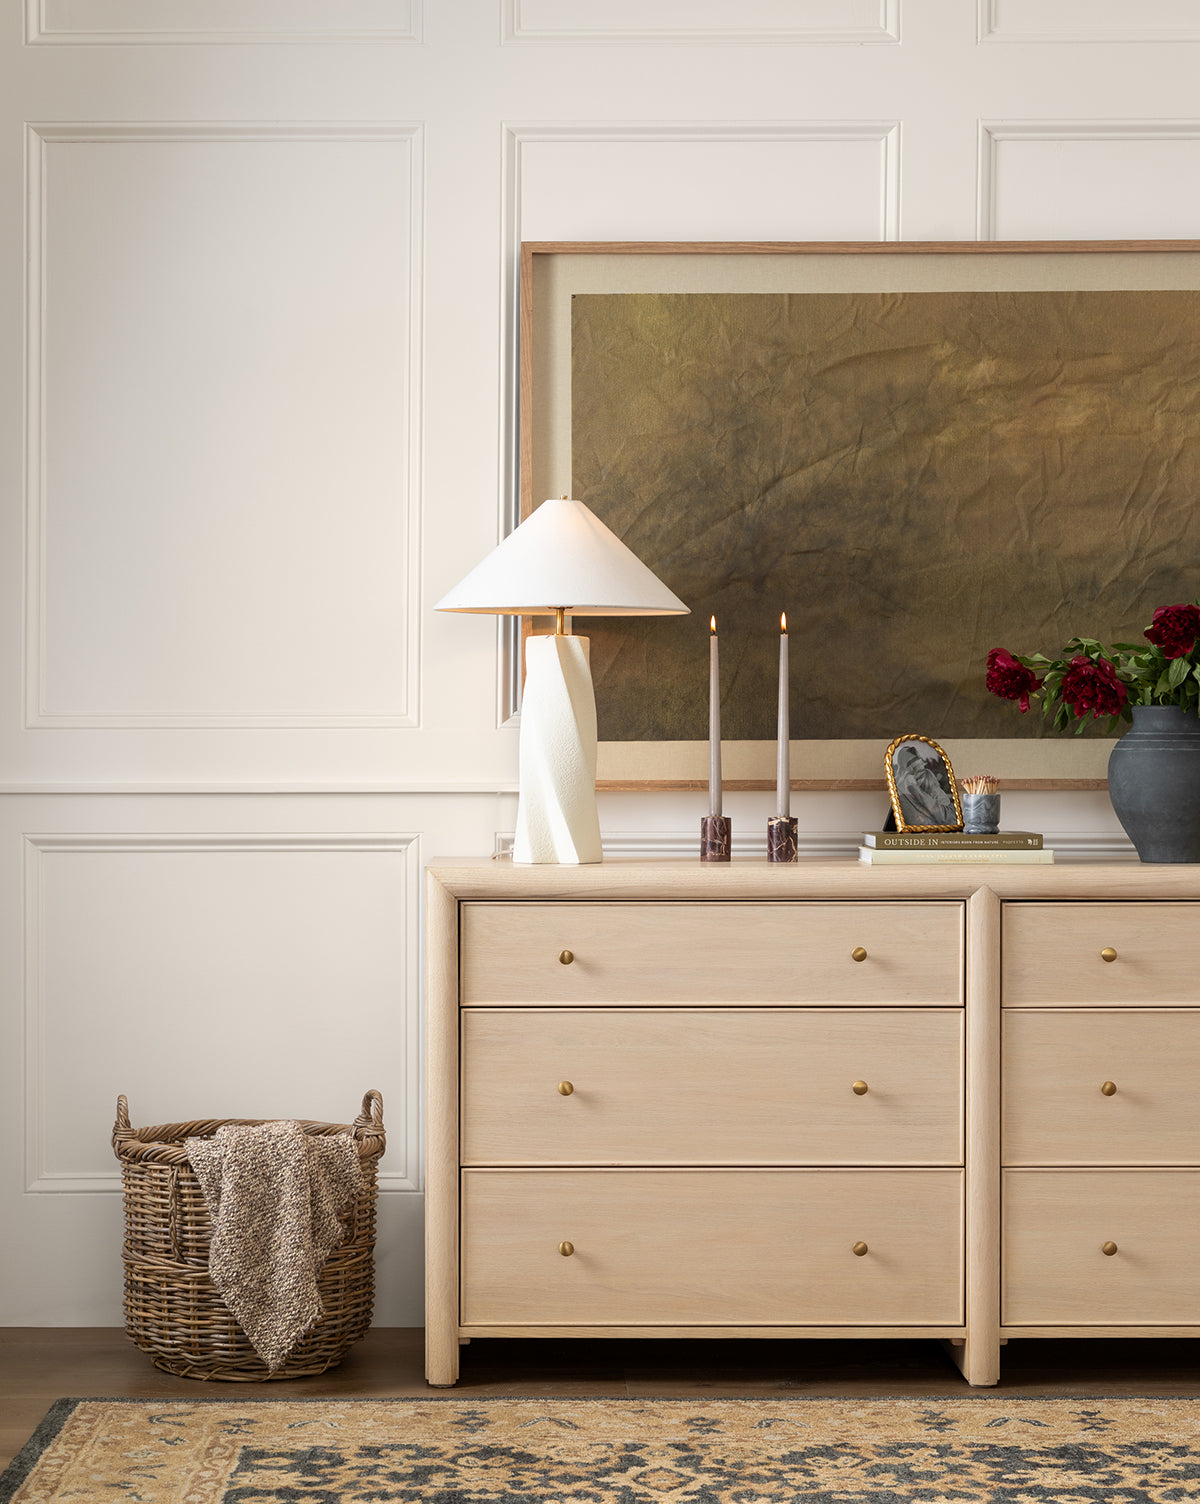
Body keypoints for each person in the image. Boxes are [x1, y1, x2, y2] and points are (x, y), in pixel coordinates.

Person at [893, 742, 956, 826]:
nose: (922, 763)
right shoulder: (903, 794)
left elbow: (949, 816)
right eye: (913, 761)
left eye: (920, 760)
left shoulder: (928, 777)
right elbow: (920, 823)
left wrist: (918, 792)